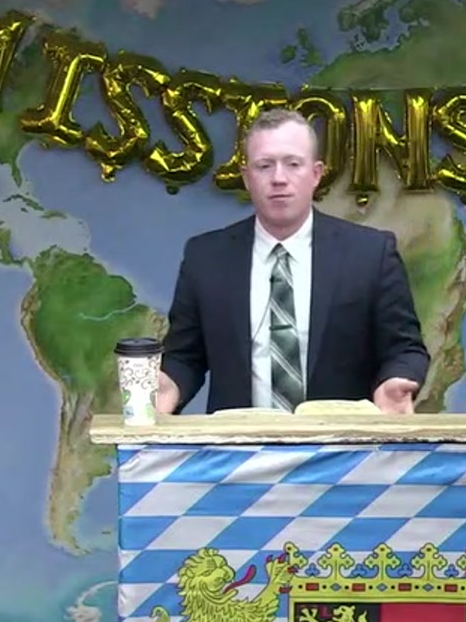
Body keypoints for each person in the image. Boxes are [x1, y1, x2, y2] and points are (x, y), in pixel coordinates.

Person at [153, 108, 430, 415]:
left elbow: (404, 349)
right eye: (264, 166)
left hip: (342, 441)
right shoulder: (206, 258)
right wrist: (168, 387)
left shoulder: (371, 254)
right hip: (239, 443)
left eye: (293, 164)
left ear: (316, 174)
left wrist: (395, 380)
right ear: (246, 177)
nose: (279, 178)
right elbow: (184, 356)